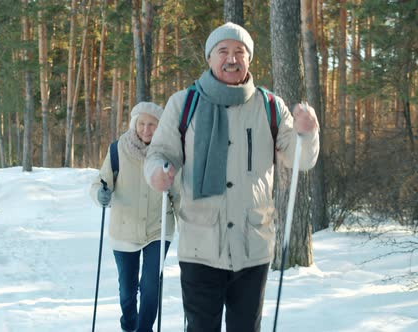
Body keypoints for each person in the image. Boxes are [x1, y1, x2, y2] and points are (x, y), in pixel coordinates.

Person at [144, 22, 320, 332]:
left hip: (252, 247)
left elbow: (301, 159)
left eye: (240, 52)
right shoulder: (184, 104)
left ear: (249, 59)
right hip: (200, 245)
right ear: (210, 58)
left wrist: (308, 132)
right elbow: (160, 152)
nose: (231, 58)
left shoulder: (270, 106)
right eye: (223, 51)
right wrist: (156, 173)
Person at [90, 101, 180, 332]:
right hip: (124, 228)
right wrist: (100, 193)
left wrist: (188, 222)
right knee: (127, 290)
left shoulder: (169, 153)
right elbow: (100, 182)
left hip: (158, 229)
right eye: (141, 123)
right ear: (134, 124)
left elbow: (178, 193)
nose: (146, 129)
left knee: (150, 286)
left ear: (160, 127)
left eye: (152, 124)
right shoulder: (117, 149)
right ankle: (129, 325)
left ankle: (144, 329)